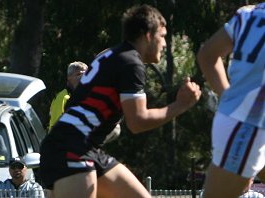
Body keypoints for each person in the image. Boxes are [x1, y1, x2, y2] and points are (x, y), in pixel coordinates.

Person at [40, 4, 201, 198]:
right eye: (162, 35)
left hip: (83, 147)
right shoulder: (131, 62)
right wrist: (180, 105)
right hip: (72, 148)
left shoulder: (115, 55)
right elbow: (138, 121)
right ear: (148, 35)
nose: (165, 43)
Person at [197, 3, 265, 198]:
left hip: (241, 121)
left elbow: (207, 55)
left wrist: (228, 96)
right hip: (247, 128)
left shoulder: (249, 13)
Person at [48, 61, 88, 130]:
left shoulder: (85, 97)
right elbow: (56, 126)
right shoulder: (63, 97)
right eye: (79, 74)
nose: (82, 78)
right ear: (69, 77)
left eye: (85, 75)